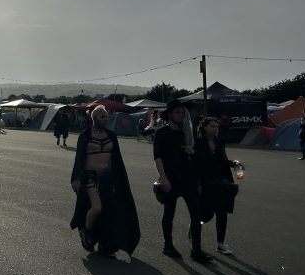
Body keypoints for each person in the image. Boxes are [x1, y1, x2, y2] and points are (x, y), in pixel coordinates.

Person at [69, 105, 140, 257]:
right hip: (90, 178)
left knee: (110, 213)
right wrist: (75, 178)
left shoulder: (111, 135)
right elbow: (79, 158)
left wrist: (119, 179)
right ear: (93, 118)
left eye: (106, 116)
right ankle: (85, 232)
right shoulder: (85, 135)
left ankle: (106, 245)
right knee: (97, 208)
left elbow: (117, 160)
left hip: (108, 179)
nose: (105, 119)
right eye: (102, 116)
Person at [154, 100, 211, 262]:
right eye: (177, 112)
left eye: (183, 112)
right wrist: (163, 179)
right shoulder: (162, 133)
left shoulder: (188, 133)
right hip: (170, 179)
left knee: (196, 215)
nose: (181, 115)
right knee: (169, 213)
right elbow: (158, 158)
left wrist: (191, 151)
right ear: (170, 114)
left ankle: (196, 249)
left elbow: (196, 158)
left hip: (189, 179)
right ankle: (168, 245)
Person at [194, 116, 239, 255]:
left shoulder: (219, 142)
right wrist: (197, 184)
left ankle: (220, 244)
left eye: (217, 126)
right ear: (204, 127)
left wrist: (234, 163)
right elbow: (195, 166)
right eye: (212, 126)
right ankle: (194, 231)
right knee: (205, 214)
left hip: (221, 182)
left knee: (222, 213)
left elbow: (223, 160)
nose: (215, 129)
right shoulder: (198, 143)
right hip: (205, 183)